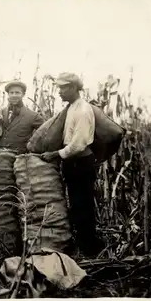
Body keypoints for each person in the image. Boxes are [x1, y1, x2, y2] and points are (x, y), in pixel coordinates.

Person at [40, 72, 104, 257]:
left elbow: (78, 144)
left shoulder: (82, 110)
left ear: (75, 88)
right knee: (77, 205)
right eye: (59, 87)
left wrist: (55, 154)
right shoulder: (71, 108)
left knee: (82, 206)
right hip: (73, 163)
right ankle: (85, 245)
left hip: (80, 163)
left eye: (64, 87)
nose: (59, 91)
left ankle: (90, 250)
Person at [0, 80, 45, 153]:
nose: (14, 95)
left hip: (19, 158)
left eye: (17, 92)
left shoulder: (33, 116)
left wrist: (32, 146)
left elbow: (45, 133)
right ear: (8, 94)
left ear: (23, 94)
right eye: (11, 93)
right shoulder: (0, 113)